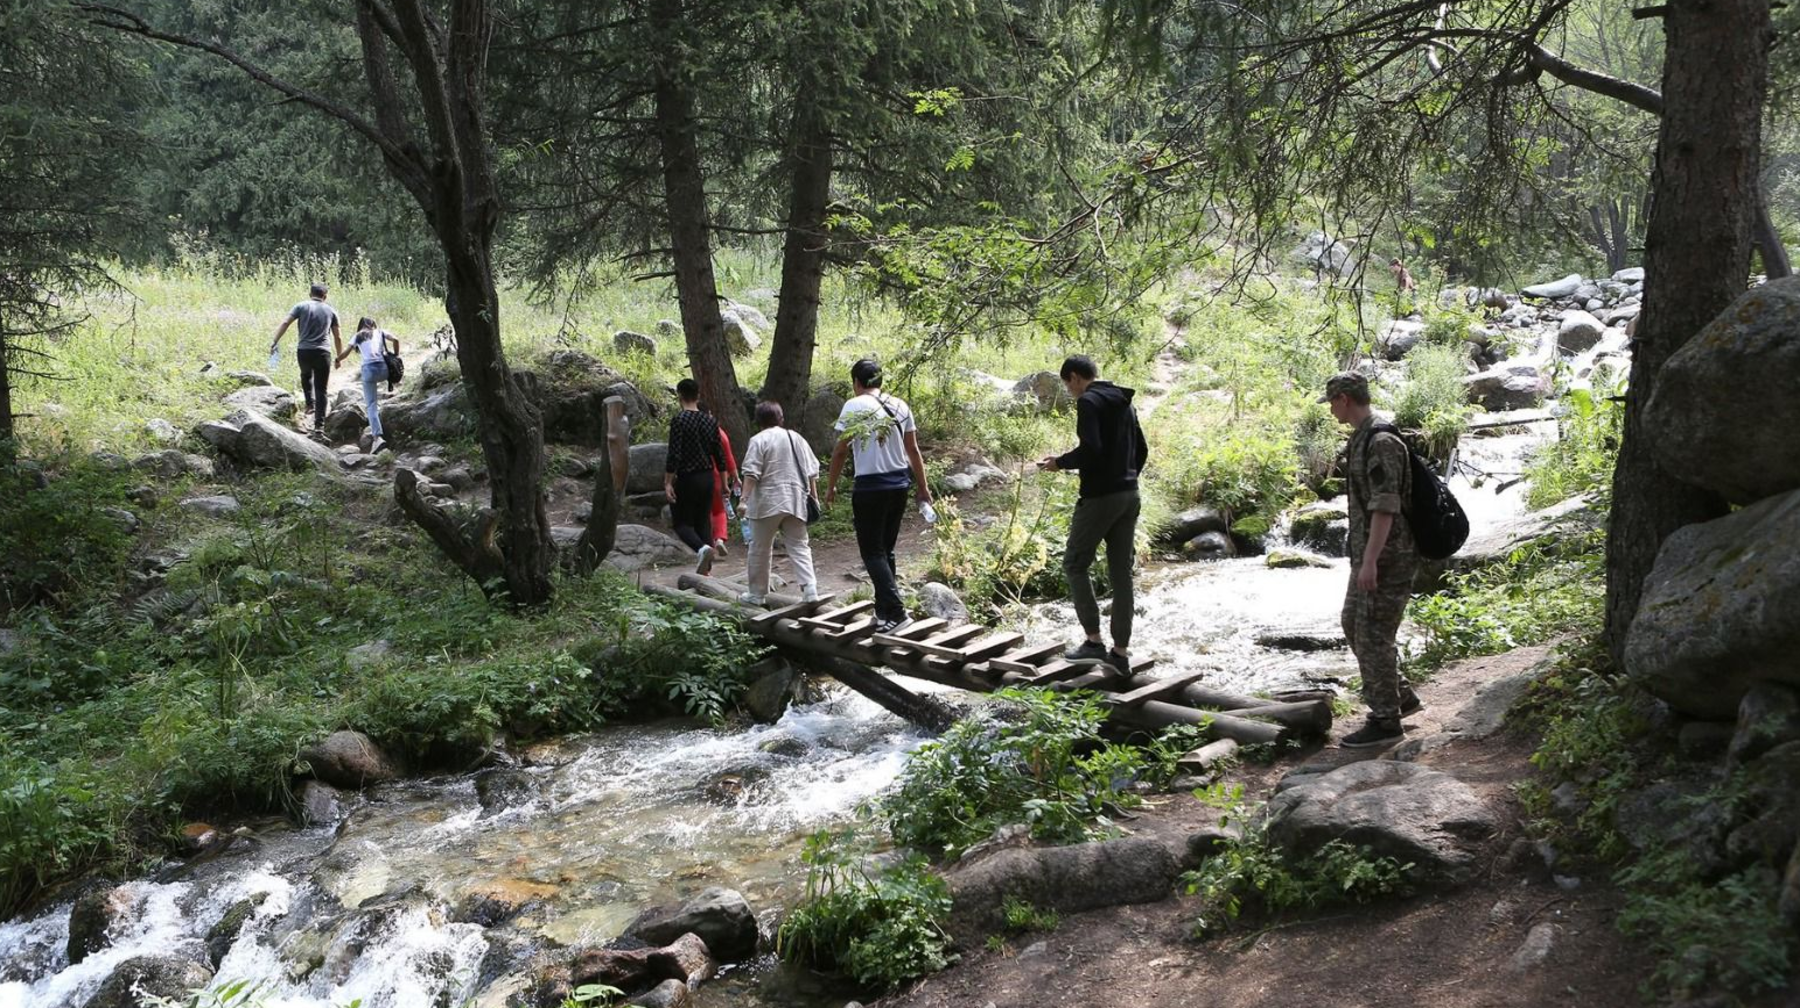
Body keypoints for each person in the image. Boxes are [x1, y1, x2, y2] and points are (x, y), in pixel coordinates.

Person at [1319, 371, 1424, 748]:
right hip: (1370, 554)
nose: (1330, 409)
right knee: (1353, 623)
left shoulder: (1380, 440)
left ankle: (1386, 721)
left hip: (1387, 556)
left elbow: (1386, 506)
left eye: (1331, 401)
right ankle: (1400, 697)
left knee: (1374, 634)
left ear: (1345, 398)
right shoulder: (1363, 437)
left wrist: (1370, 562)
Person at [1038, 355, 1148, 675]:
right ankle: (1120, 652)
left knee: (1074, 563)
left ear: (1074, 377)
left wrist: (1058, 462)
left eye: (1067, 385)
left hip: (1100, 498)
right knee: (1121, 574)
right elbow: (1141, 450)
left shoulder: (1088, 402)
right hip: (1130, 495)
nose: (1070, 391)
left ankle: (1093, 642)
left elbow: (1091, 450)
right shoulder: (1125, 402)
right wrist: (1126, 478)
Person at [824, 359, 933, 634]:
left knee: (872, 551)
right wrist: (923, 487)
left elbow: (840, 450)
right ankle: (884, 612)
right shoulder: (900, 405)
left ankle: (897, 612)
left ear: (856, 383)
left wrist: (831, 485)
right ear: (879, 381)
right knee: (886, 550)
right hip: (899, 484)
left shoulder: (854, 405)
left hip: (870, 487)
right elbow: (914, 451)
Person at [738, 401, 820, 606]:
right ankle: (810, 590)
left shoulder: (758, 440)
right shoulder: (796, 438)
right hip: (795, 500)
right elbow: (812, 471)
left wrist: (743, 500)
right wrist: (815, 498)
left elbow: (751, 473)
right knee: (800, 545)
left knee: (759, 548)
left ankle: (757, 595)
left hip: (767, 502)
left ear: (758, 422)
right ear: (781, 418)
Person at [664, 377, 726, 573]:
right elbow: (719, 455)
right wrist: (724, 483)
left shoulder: (679, 420)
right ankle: (706, 572)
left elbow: (674, 453)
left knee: (682, 523)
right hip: (708, 478)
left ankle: (702, 548)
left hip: (688, 478)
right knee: (703, 523)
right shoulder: (710, 421)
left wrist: (667, 482)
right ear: (698, 396)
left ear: (679, 396)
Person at [270, 282, 343, 435]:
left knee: (305, 374)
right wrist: (339, 357)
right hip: (323, 352)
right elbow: (338, 336)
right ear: (325, 296)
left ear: (310, 294)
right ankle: (319, 427)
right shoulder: (331, 310)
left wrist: (275, 341)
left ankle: (310, 404)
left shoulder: (301, 306)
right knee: (321, 389)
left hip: (303, 351)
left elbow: (285, 322)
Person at [335, 317, 398, 453]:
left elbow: (345, 353)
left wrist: (337, 360)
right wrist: (396, 355)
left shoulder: (358, 336)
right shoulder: (380, 332)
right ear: (373, 325)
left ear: (361, 326)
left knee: (371, 405)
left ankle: (377, 438)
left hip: (369, 371)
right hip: (384, 371)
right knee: (375, 400)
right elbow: (396, 340)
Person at [708, 426, 743, 558]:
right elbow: (728, 458)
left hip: (696, 476)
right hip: (718, 477)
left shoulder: (690, 429)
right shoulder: (718, 432)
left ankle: (707, 545)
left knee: (704, 512)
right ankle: (719, 539)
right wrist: (736, 477)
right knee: (719, 510)